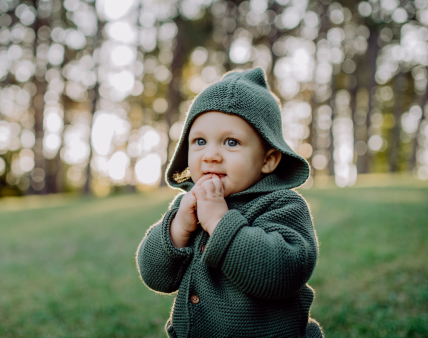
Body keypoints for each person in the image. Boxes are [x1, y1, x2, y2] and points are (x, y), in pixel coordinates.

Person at [136, 67, 323, 338]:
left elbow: (284, 273)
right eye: (200, 141)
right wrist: (177, 229)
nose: (211, 155)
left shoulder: (282, 206)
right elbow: (156, 276)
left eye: (231, 142)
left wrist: (219, 222)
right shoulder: (188, 206)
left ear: (268, 159)